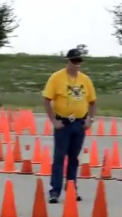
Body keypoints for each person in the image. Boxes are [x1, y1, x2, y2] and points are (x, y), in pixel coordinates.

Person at [42, 48, 97, 203]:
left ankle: (72, 187)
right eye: (74, 61)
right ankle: (55, 190)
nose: (77, 64)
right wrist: (54, 121)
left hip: (79, 123)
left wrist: (90, 120)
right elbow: (47, 100)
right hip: (63, 123)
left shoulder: (85, 80)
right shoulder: (56, 78)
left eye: (79, 61)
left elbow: (93, 102)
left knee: (74, 158)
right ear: (68, 61)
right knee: (59, 157)